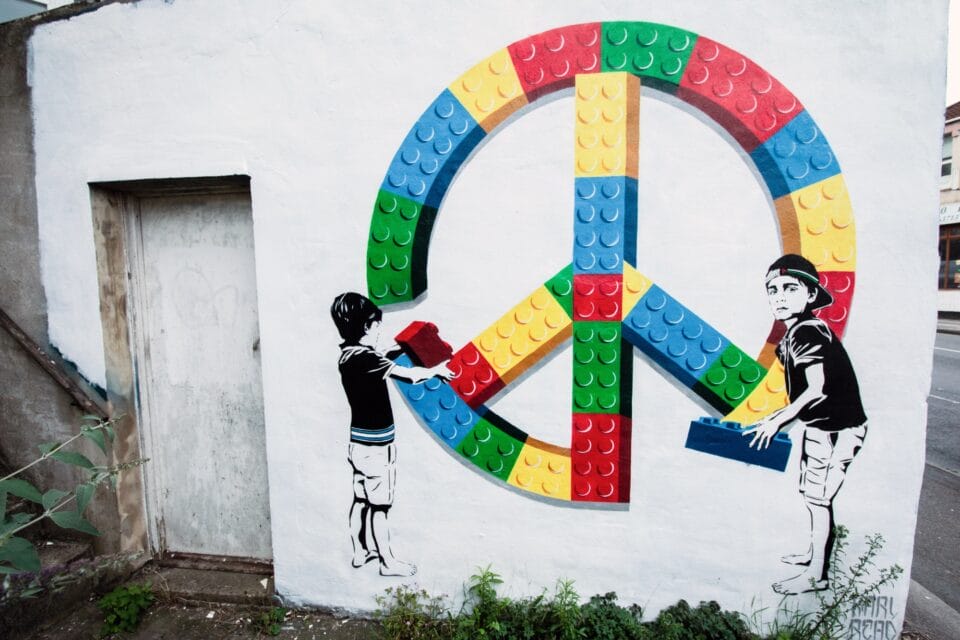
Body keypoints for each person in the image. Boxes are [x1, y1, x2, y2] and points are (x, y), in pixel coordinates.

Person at [743, 255, 867, 595]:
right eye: (773, 290)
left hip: (838, 428)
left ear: (811, 295)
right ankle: (814, 555)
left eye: (789, 288)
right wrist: (778, 417)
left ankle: (817, 574)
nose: (779, 296)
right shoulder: (796, 332)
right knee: (811, 494)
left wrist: (776, 422)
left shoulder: (806, 332)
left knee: (819, 498)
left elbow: (816, 388)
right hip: (822, 425)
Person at [330, 292, 452, 577]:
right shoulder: (368, 359)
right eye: (375, 326)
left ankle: (361, 552)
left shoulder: (348, 357)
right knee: (380, 506)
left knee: (361, 500)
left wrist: (396, 351)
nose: (379, 331)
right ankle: (388, 562)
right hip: (377, 445)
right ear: (365, 328)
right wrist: (436, 371)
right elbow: (409, 375)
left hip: (357, 443)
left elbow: (379, 359)